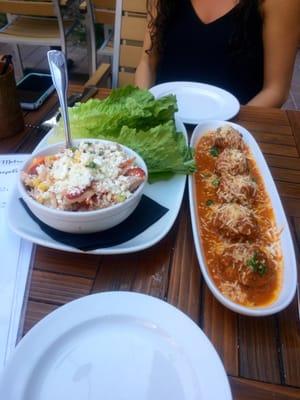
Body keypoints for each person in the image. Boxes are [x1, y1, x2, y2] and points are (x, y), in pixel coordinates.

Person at [135, 0, 300, 107]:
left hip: (235, 134)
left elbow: (275, 90)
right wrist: (145, 111)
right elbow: (147, 64)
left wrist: (223, 134)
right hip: (164, 130)